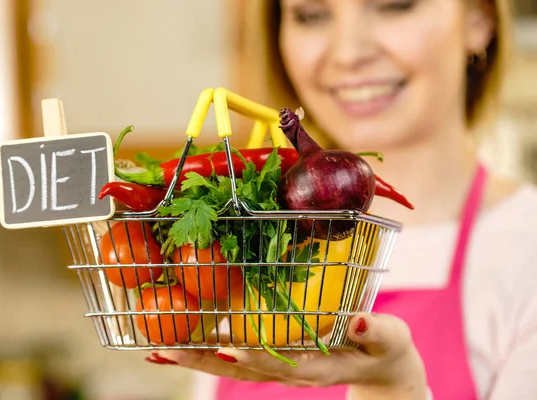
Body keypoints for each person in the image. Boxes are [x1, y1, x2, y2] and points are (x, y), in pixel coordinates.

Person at [146, 0, 537, 399]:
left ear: (479, 20)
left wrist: (396, 390)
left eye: (395, 5)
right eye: (310, 15)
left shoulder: (527, 251)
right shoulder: (251, 240)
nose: (348, 53)